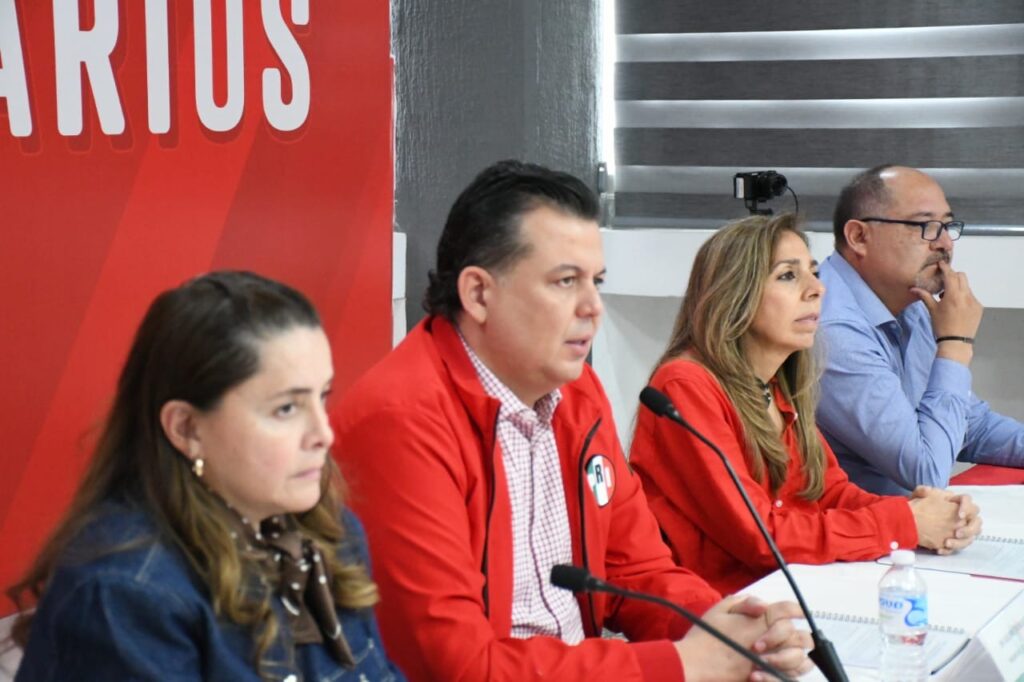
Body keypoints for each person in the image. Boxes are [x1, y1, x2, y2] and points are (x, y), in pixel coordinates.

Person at [334, 160, 812, 682]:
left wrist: (726, 631)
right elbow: (457, 666)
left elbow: (638, 571)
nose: (593, 307)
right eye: (565, 282)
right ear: (478, 294)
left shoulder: (578, 394)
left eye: (595, 282)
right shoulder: (402, 421)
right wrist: (680, 664)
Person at [7, 272, 403, 681]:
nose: (324, 434)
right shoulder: (123, 594)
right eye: (286, 408)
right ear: (187, 429)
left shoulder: (330, 534)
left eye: (323, 397)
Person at [629, 214, 981, 595]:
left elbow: (828, 493)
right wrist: (905, 523)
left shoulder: (774, 383)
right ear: (733, 294)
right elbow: (761, 536)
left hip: (787, 591)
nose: (817, 289)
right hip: (723, 608)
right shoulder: (684, 386)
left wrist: (924, 511)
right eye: (788, 276)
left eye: (813, 273)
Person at [816, 165, 1024, 495]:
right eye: (925, 226)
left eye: (947, 226)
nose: (945, 244)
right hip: (861, 523)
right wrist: (955, 343)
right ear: (859, 237)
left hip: (908, 518)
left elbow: (972, 426)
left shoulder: (910, 302)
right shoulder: (830, 328)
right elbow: (926, 472)